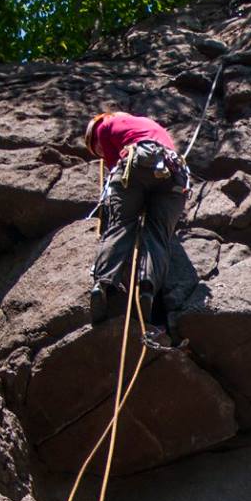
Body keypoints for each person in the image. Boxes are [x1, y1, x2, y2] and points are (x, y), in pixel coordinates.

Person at [84, 110, 189, 345]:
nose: (100, 153)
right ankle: (147, 288)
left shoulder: (106, 125)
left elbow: (115, 169)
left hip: (135, 162)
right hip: (172, 172)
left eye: (97, 148)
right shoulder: (149, 125)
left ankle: (103, 283)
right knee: (159, 234)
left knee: (121, 225)